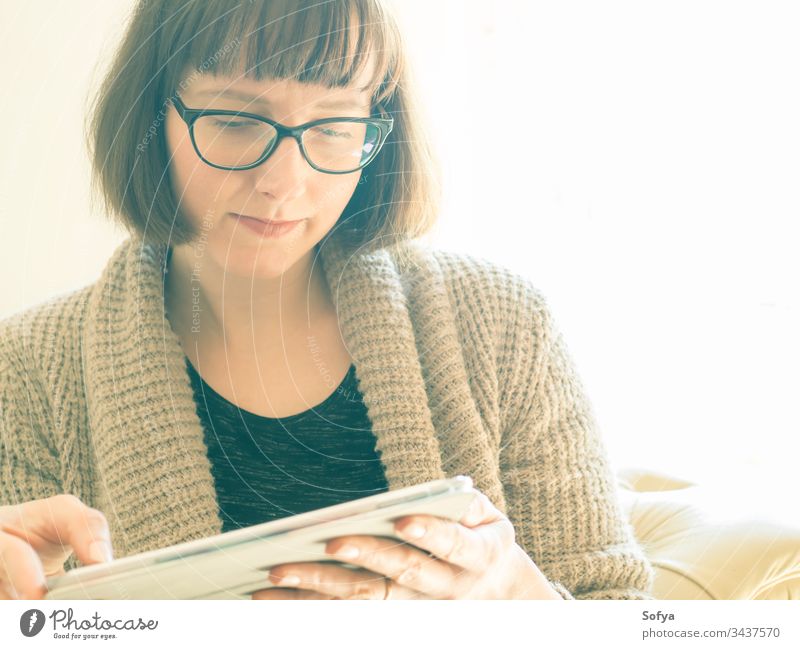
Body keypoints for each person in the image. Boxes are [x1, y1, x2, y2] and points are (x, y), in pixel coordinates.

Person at [0, 0, 655, 600]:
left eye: (336, 126)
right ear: (151, 113)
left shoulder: (504, 324)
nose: (284, 182)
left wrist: (515, 596)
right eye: (233, 120)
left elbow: (623, 611)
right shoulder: (29, 367)